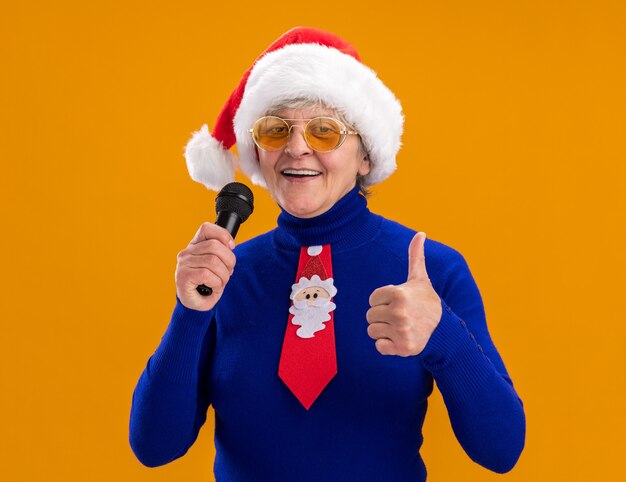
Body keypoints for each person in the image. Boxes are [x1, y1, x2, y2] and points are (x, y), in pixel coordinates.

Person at [129, 27, 525, 481]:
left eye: (324, 131)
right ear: (258, 151)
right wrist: (191, 311)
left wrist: (443, 338)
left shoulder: (432, 271)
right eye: (277, 129)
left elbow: (502, 450)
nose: (297, 147)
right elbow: (154, 446)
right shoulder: (224, 274)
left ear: (366, 157)